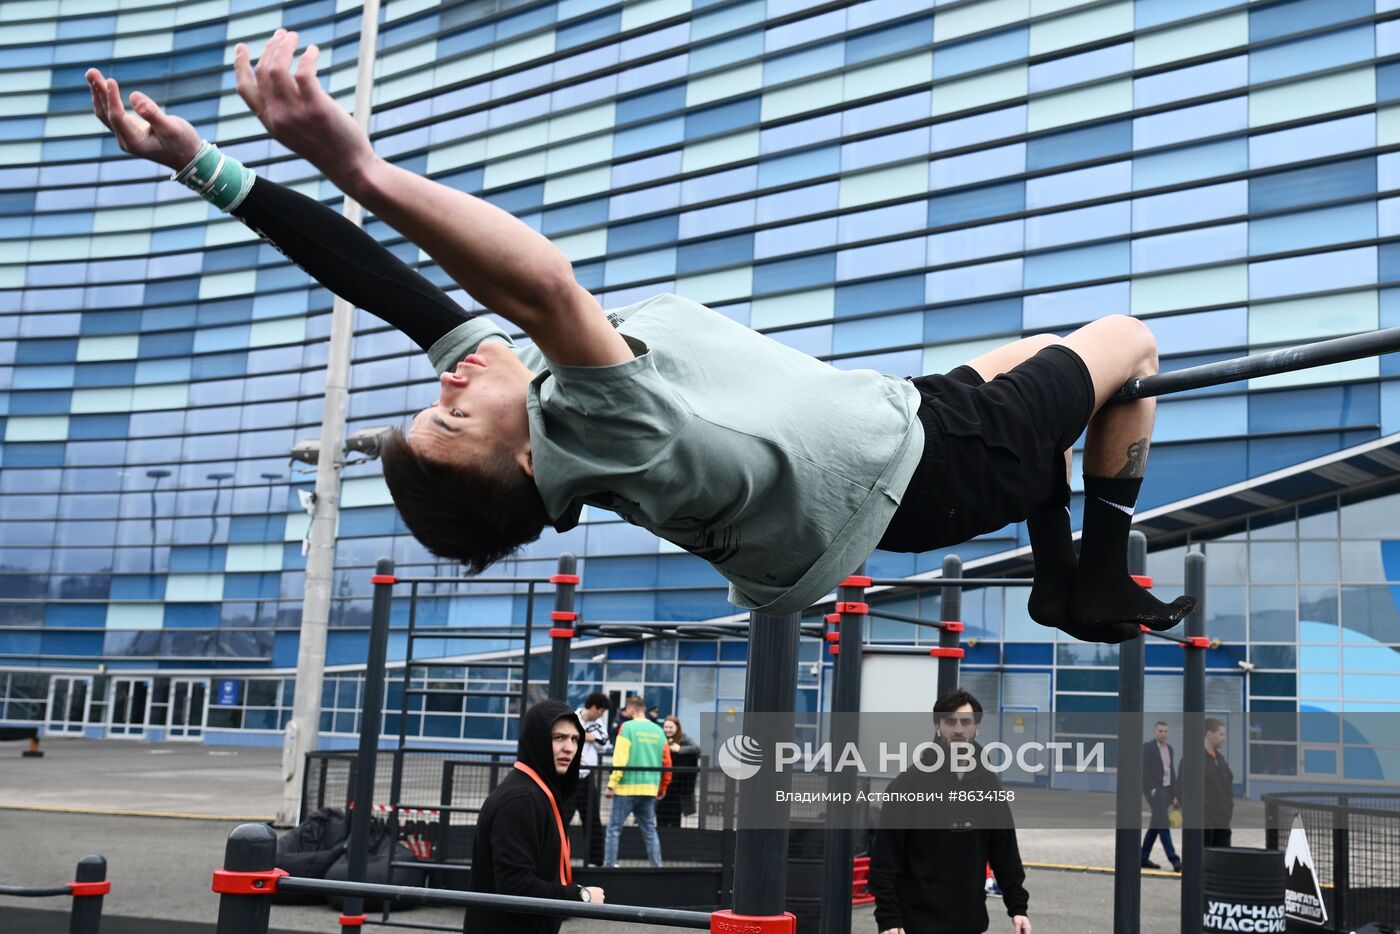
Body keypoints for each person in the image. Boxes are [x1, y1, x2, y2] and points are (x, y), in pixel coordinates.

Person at [85, 30, 1195, 646]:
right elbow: (547, 286)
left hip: (897, 432)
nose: (458, 377)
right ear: (522, 461)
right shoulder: (605, 433)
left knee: (1045, 351)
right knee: (1125, 345)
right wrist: (357, 163)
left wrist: (199, 166)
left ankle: (1062, 570)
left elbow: (375, 281)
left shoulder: (537, 416)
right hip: (931, 467)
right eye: (455, 409)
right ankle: (1092, 577)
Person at [869, 690, 1031, 934]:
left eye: (965, 722)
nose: (958, 729)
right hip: (916, 924)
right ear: (938, 725)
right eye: (950, 721)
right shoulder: (909, 784)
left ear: (977, 727)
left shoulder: (987, 783)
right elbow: (885, 859)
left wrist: (1018, 908)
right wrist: (889, 919)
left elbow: (1004, 850)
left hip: (969, 924)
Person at [458, 700, 604, 932]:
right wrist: (581, 896)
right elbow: (516, 888)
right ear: (537, 740)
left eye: (575, 739)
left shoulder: (536, 793)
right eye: (559, 738)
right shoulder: (522, 800)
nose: (569, 748)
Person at [603, 695, 671, 867]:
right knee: (649, 830)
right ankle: (657, 867)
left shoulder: (626, 728)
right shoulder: (658, 730)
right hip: (649, 788)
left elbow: (620, 759)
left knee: (613, 830)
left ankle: (609, 866)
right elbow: (667, 762)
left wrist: (612, 784)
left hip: (626, 788)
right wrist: (662, 787)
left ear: (631, 710)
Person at [559, 692, 609, 866]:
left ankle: (595, 861)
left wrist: (591, 737)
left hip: (587, 778)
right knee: (562, 818)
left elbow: (604, 744)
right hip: (568, 778)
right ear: (594, 707)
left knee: (592, 819)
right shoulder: (571, 718)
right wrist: (582, 737)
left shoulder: (598, 724)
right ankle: (557, 857)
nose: (602, 715)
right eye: (601, 711)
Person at [1181, 718, 1234, 848]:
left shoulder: (1220, 760)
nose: (1224, 738)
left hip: (1222, 823)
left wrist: (1227, 810)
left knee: (1222, 859)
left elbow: (1227, 787)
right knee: (1203, 860)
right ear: (1209, 734)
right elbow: (1182, 790)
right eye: (1221, 734)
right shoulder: (1192, 759)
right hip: (1204, 825)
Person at [1141, 721, 1181, 871]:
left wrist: (1175, 795)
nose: (1163, 734)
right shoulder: (1148, 748)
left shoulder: (1169, 749)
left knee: (1156, 826)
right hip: (1155, 792)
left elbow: (1171, 772)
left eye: (1165, 731)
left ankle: (1142, 858)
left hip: (1167, 792)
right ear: (1155, 732)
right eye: (1160, 731)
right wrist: (1150, 788)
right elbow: (1143, 769)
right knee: (1163, 824)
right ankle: (1175, 860)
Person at [656, 715, 701, 828]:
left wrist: (679, 749)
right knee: (660, 811)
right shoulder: (660, 737)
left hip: (678, 785)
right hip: (662, 783)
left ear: (677, 727)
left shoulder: (684, 738)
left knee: (675, 812)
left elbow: (697, 749)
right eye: (666, 727)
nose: (668, 730)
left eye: (671, 727)